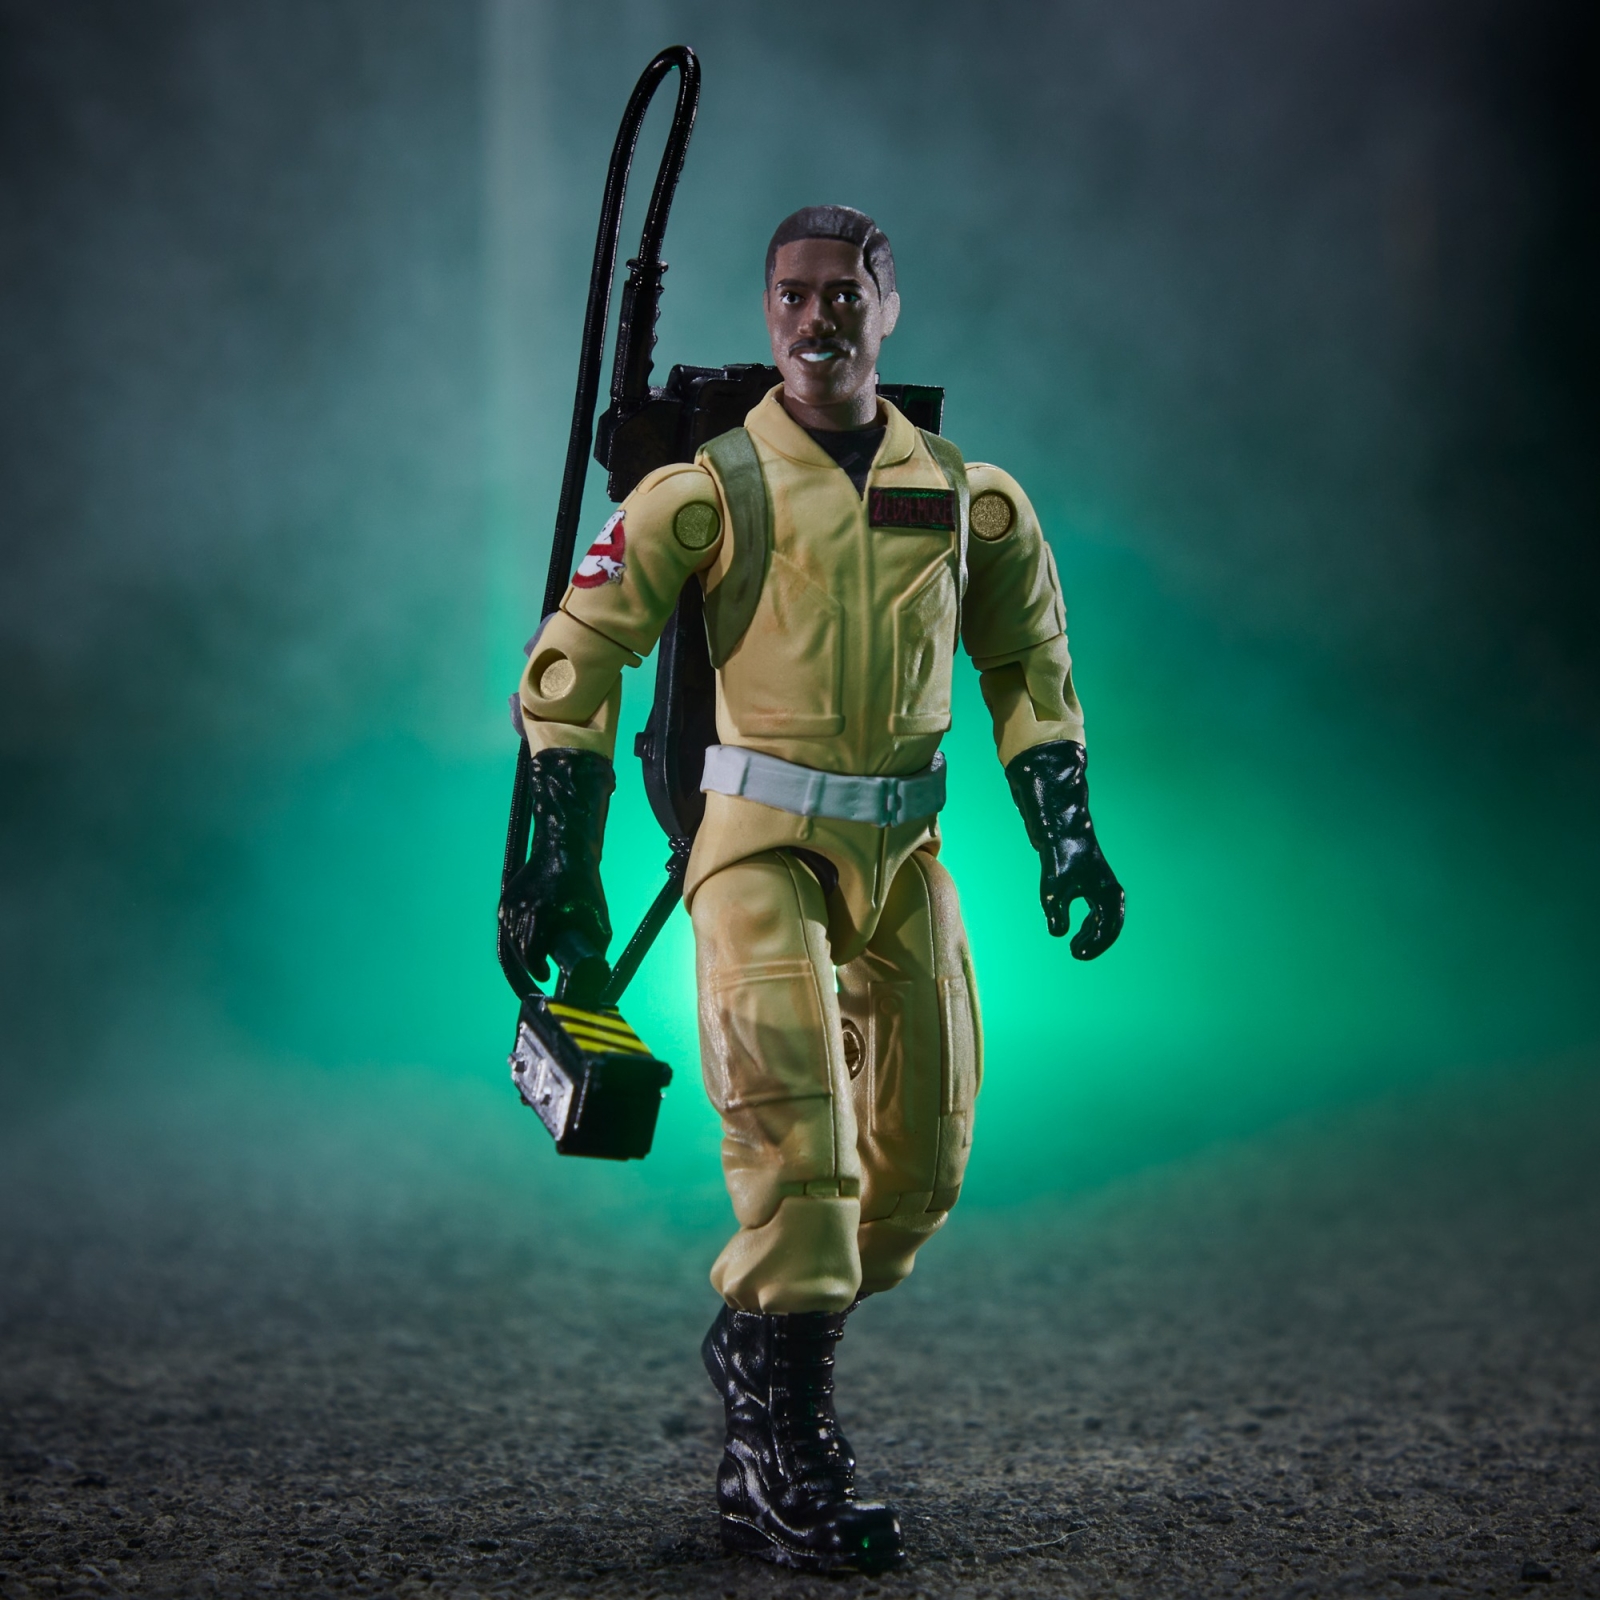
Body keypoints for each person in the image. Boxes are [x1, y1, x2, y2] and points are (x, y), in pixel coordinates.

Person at [501, 205, 1124, 1573]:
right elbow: (574, 661)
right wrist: (559, 854)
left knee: (917, 1171)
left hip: (906, 854)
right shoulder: (705, 491)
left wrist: (1067, 833)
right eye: (793, 293)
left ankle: (757, 1350)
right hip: (757, 847)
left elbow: (1032, 671)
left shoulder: (967, 497)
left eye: (846, 292)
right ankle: (784, 1449)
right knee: (802, 1162)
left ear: (887, 307)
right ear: (766, 309)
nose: (818, 316)